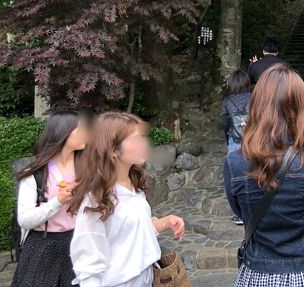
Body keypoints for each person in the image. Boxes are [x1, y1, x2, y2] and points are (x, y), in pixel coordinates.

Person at [224, 65, 304, 286]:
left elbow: (239, 211)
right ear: (301, 109)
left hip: (259, 273)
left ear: (257, 104)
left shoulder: (234, 162)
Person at [69, 112, 185, 287]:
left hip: (148, 278)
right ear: (113, 150)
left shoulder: (134, 186)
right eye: (136, 140)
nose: (144, 144)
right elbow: (88, 266)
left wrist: (165, 222)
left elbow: (132, 233)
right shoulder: (96, 200)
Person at [12, 111, 90, 287]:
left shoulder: (88, 171)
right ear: (64, 132)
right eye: (81, 128)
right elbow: (24, 220)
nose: (86, 133)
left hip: (80, 245)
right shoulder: (35, 174)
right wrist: (58, 201)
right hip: (42, 248)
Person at [222, 70, 252, 226]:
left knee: (234, 178)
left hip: (235, 141)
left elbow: (225, 124)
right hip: (254, 141)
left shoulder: (227, 102)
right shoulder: (255, 98)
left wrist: (228, 141)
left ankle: (239, 214)